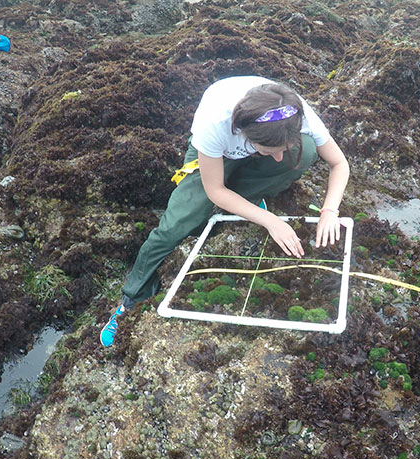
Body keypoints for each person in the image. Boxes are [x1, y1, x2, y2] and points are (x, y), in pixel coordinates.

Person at [100, 75, 350, 346]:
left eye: (283, 149)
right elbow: (215, 190)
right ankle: (130, 299)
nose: (280, 157)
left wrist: (329, 211)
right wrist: (270, 221)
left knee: (308, 150)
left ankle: (248, 196)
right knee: (175, 227)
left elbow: (339, 164)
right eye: (271, 150)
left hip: (248, 152)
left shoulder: (296, 114)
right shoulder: (215, 122)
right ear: (246, 135)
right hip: (212, 159)